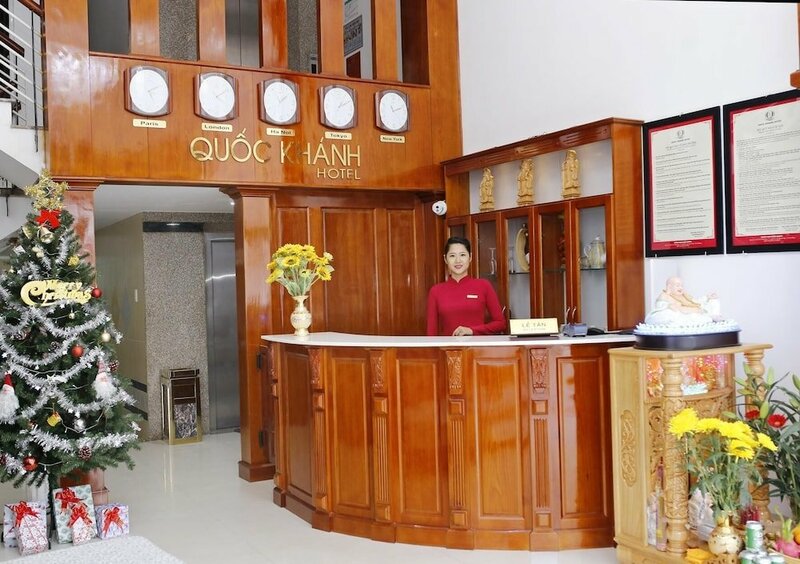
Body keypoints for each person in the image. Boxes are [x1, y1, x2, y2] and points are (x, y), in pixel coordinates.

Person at [426, 237, 506, 336]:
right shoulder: (435, 291)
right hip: (448, 346)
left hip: (477, 345)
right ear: (445, 259)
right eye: (452, 256)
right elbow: (431, 334)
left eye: (462, 255)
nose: (458, 260)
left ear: (470, 257)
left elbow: (500, 323)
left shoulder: (484, 286)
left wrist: (472, 330)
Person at [644, 276, 720, 325]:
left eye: (681, 285)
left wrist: (707, 297)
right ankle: (709, 319)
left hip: (688, 312)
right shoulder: (664, 295)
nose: (680, 288)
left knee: (713, 301)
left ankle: (712, 317)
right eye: (677, 285)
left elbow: (695, 301)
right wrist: (668, 306)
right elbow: (660, 306)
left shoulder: (684, 295)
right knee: (669, 315)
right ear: (669, 287)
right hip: (678, 314)